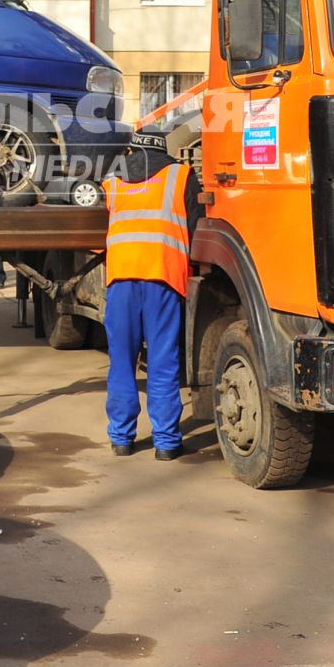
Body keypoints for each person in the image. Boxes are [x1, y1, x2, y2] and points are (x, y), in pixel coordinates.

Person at [101, 162, 192, 461]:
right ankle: (165, 443)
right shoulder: (179, 176)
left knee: (122, 361)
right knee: (163, 361)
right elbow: (197, 221)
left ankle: (121, 439)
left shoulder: (112, 181)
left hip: (121, 279)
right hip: (162, 277)